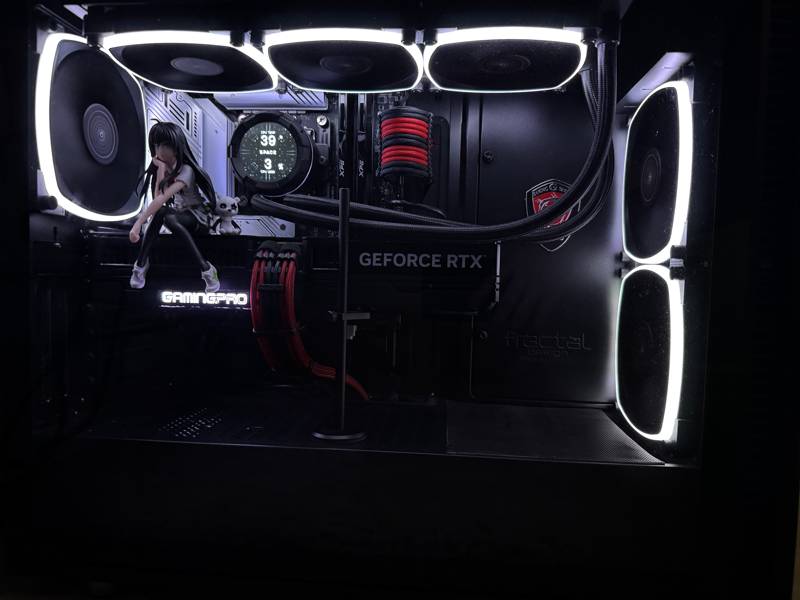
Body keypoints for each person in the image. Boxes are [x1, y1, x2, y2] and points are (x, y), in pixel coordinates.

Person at [128, 121, 220, 292]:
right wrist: (161, 169)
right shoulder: (164, 168)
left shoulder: (186, 170)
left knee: (167, 216)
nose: (159, 150)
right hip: (179, 216)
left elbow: (162, 198)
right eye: (156, 145)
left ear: (176, 147)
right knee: (163, 213)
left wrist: (138, 224)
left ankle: (207, 269)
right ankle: (140, 265)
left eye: (164, 145)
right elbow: (158, 198)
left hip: (197, 217)